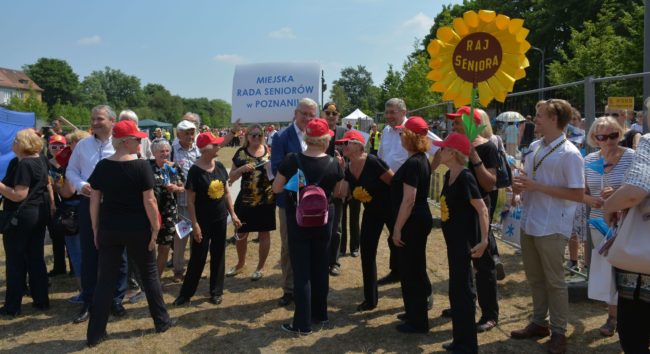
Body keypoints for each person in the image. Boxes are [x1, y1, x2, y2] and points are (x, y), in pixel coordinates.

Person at [85, 119, 174, 346]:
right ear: (125, 142)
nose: (140, 143)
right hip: (137, 230)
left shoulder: (103, 166)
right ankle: (162, 321)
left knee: (105, 280)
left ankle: (95, 334)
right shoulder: (141, 166)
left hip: (110, 229)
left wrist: (96, 228)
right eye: (137, 139)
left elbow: (95, 200)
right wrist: (155, 228)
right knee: (150, 276)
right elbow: (150, 200)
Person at [510, 99, 585, 354]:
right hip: (530, 220)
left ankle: (559, 332)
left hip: (553, 225)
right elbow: (527, 180)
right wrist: (519, 188)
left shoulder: (570, 153)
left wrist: (536, 187)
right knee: (535, 278)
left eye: (540, 115)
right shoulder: (533, 146)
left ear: (554, 119)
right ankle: (539, 323)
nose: (535, 119)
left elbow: (577, 194)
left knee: (555, 281)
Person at [272, 118, 344, 334]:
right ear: (325, 139)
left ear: (307, 137)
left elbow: (276, 188)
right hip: (324, 219)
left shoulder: (291, 160)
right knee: (321, 267)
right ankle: (320, 315)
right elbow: (340, 192)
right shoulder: (333, 163)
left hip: (299, 219)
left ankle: (302, 324)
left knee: (302, 271)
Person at [439, 107, 500, 332]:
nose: (454, 126)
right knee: (461, 264)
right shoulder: (454, 146)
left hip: (478, 212)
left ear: (473, 124)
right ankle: (464, 304)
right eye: (453, 123)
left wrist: (474, 157)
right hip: (459, 213)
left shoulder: (487, 148)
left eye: (458, 123)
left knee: (483, 264)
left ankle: (489, 314)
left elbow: (489, 183)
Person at [66, 105, 128, 324]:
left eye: (99, 118)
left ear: (112, 121)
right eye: (92, 118)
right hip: (87, 203)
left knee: (118, 252)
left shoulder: (121, 144)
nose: (94, 122)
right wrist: (81, 184)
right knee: (89, 253)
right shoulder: (82, 145)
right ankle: (89, 300)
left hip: (115, 205)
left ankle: (116, 299)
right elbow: (70, 170)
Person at [433, 132, 489, 353]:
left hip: (465, 244)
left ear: (454, 153)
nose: (440, 151)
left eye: (443, 148)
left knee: (464, 291)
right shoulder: (448, 176)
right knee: (456, 290)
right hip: (453, 243)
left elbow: (482, 209)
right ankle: (459, 339)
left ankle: (467, 345)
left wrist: (484, 240)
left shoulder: (465, 177)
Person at [602, 97, 650, 354]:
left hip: (643, 262)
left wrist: (608, 206)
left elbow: (635, 191)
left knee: (634, 332)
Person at [172, 132, 241, 306]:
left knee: (218, 254)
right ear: (206, 149)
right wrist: (195, 224)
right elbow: (190, 201)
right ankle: (186, 294)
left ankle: (216, 292)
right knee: (198, 256)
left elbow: (226, 193)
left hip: (219, 219)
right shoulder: (195, 171)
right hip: (202, 221)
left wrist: (232, 214)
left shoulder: (218, 166)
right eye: (216, 145)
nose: (219, 147)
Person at [582, 116, 634, 337]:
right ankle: (613, 316)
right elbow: (581, 192)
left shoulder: (632, 156)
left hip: (627, 221)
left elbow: (639, 186)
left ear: (620, 134)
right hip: (599, 221)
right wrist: (591, 200)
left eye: (614, 134)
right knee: (607, 269)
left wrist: (617, 194)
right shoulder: (589, 160)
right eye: (603, 136)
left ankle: (631, 317)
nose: (609, 140)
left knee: (629, 268)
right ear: (595, 138)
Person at [337, 130, 393, 311]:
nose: (343, 146)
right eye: (342, 143)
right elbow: (343, 193)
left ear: (359, 145)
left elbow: (394, 183)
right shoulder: (347, 168)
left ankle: (422, 292)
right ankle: (370, 299)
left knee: (404, 251)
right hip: (371, 213)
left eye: (347, 143)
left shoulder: (373, 162)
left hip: (390, 211)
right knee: (367, 252)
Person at [271, 97, 318, 307]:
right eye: (304, 113)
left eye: (311, 114)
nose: (307, 118)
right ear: (295, 113)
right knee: (289, 244)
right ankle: (289, 288)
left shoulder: (318, 134)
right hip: (289, 200)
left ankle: (308, 285)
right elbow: (276, 167)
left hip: (315, 200)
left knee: (312, 243)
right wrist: (301, 180)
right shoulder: (281, 136)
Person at [0, 129, 51, 317]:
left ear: (23, 144)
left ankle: (12, 306)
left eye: (16, 140)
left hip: (21, 217)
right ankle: (41, 300)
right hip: (38, 213)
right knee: (36, 258)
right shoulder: (40, 160)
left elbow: (18, 195)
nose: (13, 143)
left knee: (15, 261)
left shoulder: (25, 165)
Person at [391, 116, 433, 333]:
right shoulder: (420, 159)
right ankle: (413, 311)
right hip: (417, 218)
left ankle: (418, 321)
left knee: (412, 269)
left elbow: (409, 199)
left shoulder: (415, 163)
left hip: (413, 221)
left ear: (410, 137)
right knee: (411, 268)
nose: (400, 136)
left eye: (402, 133)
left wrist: (397, 228)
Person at [226, 124, 275, 281]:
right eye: (253, 135)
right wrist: (240, 170)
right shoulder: (241, 153)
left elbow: (277, 174)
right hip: (246, 199)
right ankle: (240, 264)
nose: (256, 137)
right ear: (246, 137)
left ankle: (260, 268)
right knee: (241, 233)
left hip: (266, 199)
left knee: (264, 233)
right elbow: (231, 178)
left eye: (259, 135)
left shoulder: (269, 152)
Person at [377, 98, 409, 285]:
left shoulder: (412, 128)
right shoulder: (386, 131)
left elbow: (439, 148)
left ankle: (413, 277)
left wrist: (423, 173)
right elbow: (382, 158)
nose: (389, 116)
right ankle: (396, 270)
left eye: (393, 112)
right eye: (387, 112)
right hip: (388, 190)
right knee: (392, 234)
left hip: (406, 191)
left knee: (405, 235)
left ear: (403, 112)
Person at [58, 129, 92, 303]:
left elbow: (68, 191)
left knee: (78, 254)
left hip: (74, 211)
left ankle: (84, 292)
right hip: (88, 208)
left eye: (71, 143)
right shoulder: (91, 161)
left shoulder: (74, 163)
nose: (69, 146)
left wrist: (56, 186)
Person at [149, 139, 185, 279]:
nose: (165, 154)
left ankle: (156, 279)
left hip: (169, 213)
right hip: (151, 213)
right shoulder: (148, 167)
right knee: (149, 247)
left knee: (164, 247)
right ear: (153, 153)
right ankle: (146, 278)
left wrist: (176, 188)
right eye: (161, 151)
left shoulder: (174, 167)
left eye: (167, 151)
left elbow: (184, 186)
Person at [170, 120, 200, 283]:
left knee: (198, 236)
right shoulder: (172, 151)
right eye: (186, 133)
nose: (190, 136)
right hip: (181, 202)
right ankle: (178, 270)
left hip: (199, 202)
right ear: (178, 134)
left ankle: (195, 268)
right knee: (181, 237)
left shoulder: (199, 150)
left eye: (192, 132)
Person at [322, 101, 350, 276]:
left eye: (334, 113)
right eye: (328, 112)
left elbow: (350, 157)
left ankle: (334, 261)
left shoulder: (344, 133)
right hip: (319, 183)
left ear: (339, 115)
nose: (331, 116)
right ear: (323, 113)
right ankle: (321, 258)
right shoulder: (317, 130)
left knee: (336, 226)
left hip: (338, 184)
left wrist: (345, 179)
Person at [46, 134, 69, 277]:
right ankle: (59, 267)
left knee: (71, 235)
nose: (57, 149)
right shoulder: (46, 163)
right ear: (48, 147)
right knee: (56, 236)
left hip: (68, 203)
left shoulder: (70, 162)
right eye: (54, 146)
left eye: (61, 146)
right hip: (53, 203)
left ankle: (74, 268)